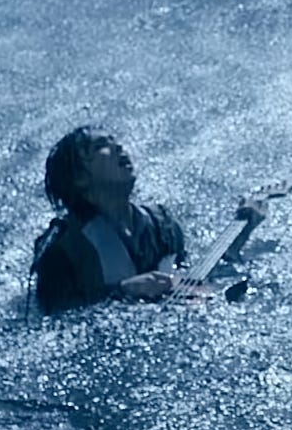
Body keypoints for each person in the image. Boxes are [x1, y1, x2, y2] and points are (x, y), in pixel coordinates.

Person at [30, 127, 266, 313]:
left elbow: (193, 281)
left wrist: (241, 232)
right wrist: (121, 291)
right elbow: (52, 314)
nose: (118, 146)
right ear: (80, 178)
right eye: (101, 146)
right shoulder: (62, 249)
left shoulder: (163, 226)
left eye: (114, 141)